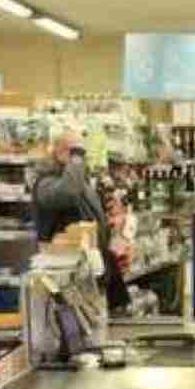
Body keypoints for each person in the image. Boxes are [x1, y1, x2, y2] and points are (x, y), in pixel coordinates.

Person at [33, 131, 131, 311]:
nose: (80, 158)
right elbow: (68, 193)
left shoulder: (77, 180)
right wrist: (76, 159)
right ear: (60, 152)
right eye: (75, 152)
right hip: (64, 274)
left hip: (86, 270)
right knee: (73, 328)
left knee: (93, 326)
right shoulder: (45, 183)